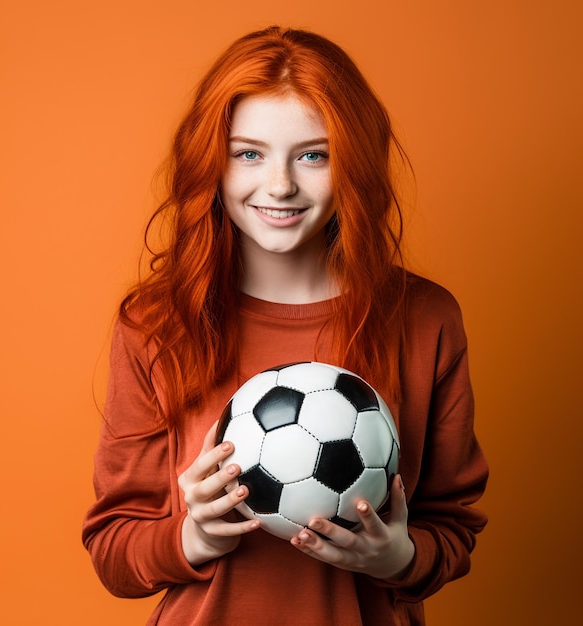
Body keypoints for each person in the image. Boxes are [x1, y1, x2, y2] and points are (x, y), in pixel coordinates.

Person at [82, 26, 488, 626]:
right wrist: (193, 537)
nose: (280, 185)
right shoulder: (155, 324)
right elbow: (113, 547)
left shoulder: (424, 319)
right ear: (211, 162)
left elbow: (452, 527)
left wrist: (398, 556)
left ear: (352, 160)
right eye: (249, 153)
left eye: (313, 154)